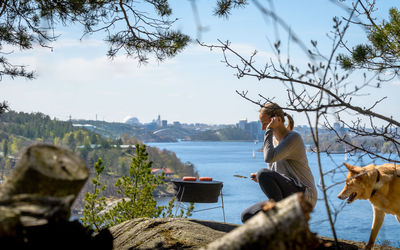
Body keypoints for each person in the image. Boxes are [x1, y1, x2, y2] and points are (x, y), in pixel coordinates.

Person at [241, 102, 317, 223]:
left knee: (263, 173)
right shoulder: (275, 142)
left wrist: (269, 129)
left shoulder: (293, 137)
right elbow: (276, 172)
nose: (262, 128)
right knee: (247, 216)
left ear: (277, 119)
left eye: (265, 123)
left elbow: (269, 158)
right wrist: (261, 178)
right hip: (286, 195)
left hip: (304, 195)